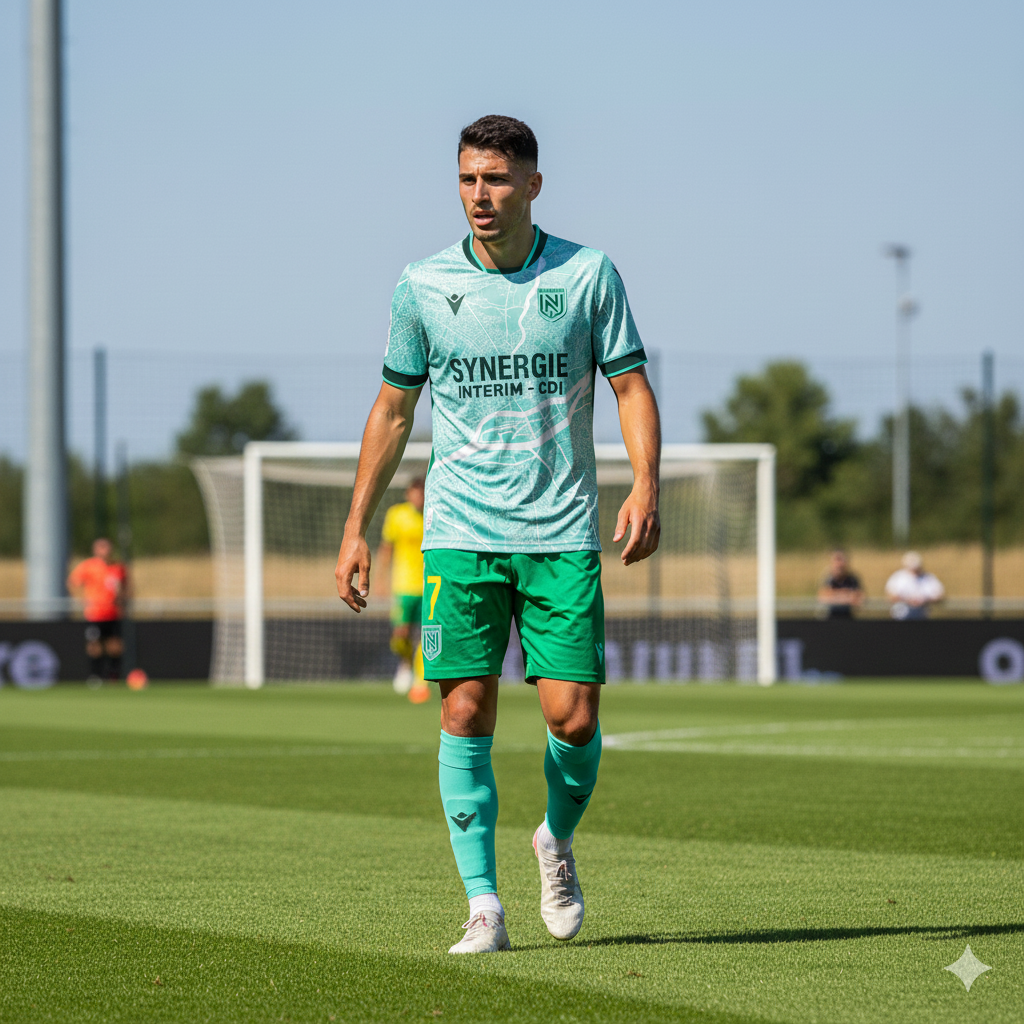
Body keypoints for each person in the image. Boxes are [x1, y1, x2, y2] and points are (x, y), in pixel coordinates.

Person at [334, 115, 660, 954]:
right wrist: (356, 526)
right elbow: (394, 408)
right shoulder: (422, 284)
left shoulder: (588, 275)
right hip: (458, 534)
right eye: (470, 179)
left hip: (560, 533)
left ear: (534, 186)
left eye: (499, 179)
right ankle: (484, 904)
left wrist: (645, 484)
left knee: (576, 719)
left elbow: (629, 387)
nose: (482, 195)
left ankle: (555, 840)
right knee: (465, 709)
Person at [378, 477, 428, 700]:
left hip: (428, 586)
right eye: (415, 493)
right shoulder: (396, 515)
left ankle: (419, 679)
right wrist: (379, 578)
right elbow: (386, 548)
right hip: (403, 585)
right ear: (408, 494)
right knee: (400, 635)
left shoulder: (433, 515)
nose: (419, 498)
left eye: (422, 494)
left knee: (426, 636)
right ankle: (405, 664)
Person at [67, 538, 129, 684]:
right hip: (94, 614)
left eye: (107, 547)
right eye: (101, 547)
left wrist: (122, 599)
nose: (104, 551)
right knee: (94, 645)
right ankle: (95, 677)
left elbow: (125, 588)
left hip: (113, 613)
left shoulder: (118, 567)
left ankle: (114, 677)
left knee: (115, 646)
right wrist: (80, 600)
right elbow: (72, 582)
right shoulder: (88, 566)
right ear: (95, 550)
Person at [885, 551, 944, 620]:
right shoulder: (898, 577)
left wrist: (924, 600)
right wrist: (908, 600)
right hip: (901, 616)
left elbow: (940, 596)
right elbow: (890, 596)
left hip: (921, 616)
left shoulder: (929, 578)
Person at [817, 548, 864, 619]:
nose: (839, 564)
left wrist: (835, 595)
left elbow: (860, 598)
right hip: (830, 618)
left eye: (842, 560)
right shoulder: (828, 578)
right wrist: (846, 595)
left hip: (848, 617)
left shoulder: (852, 579)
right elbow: (823, 597)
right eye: (836, 560)